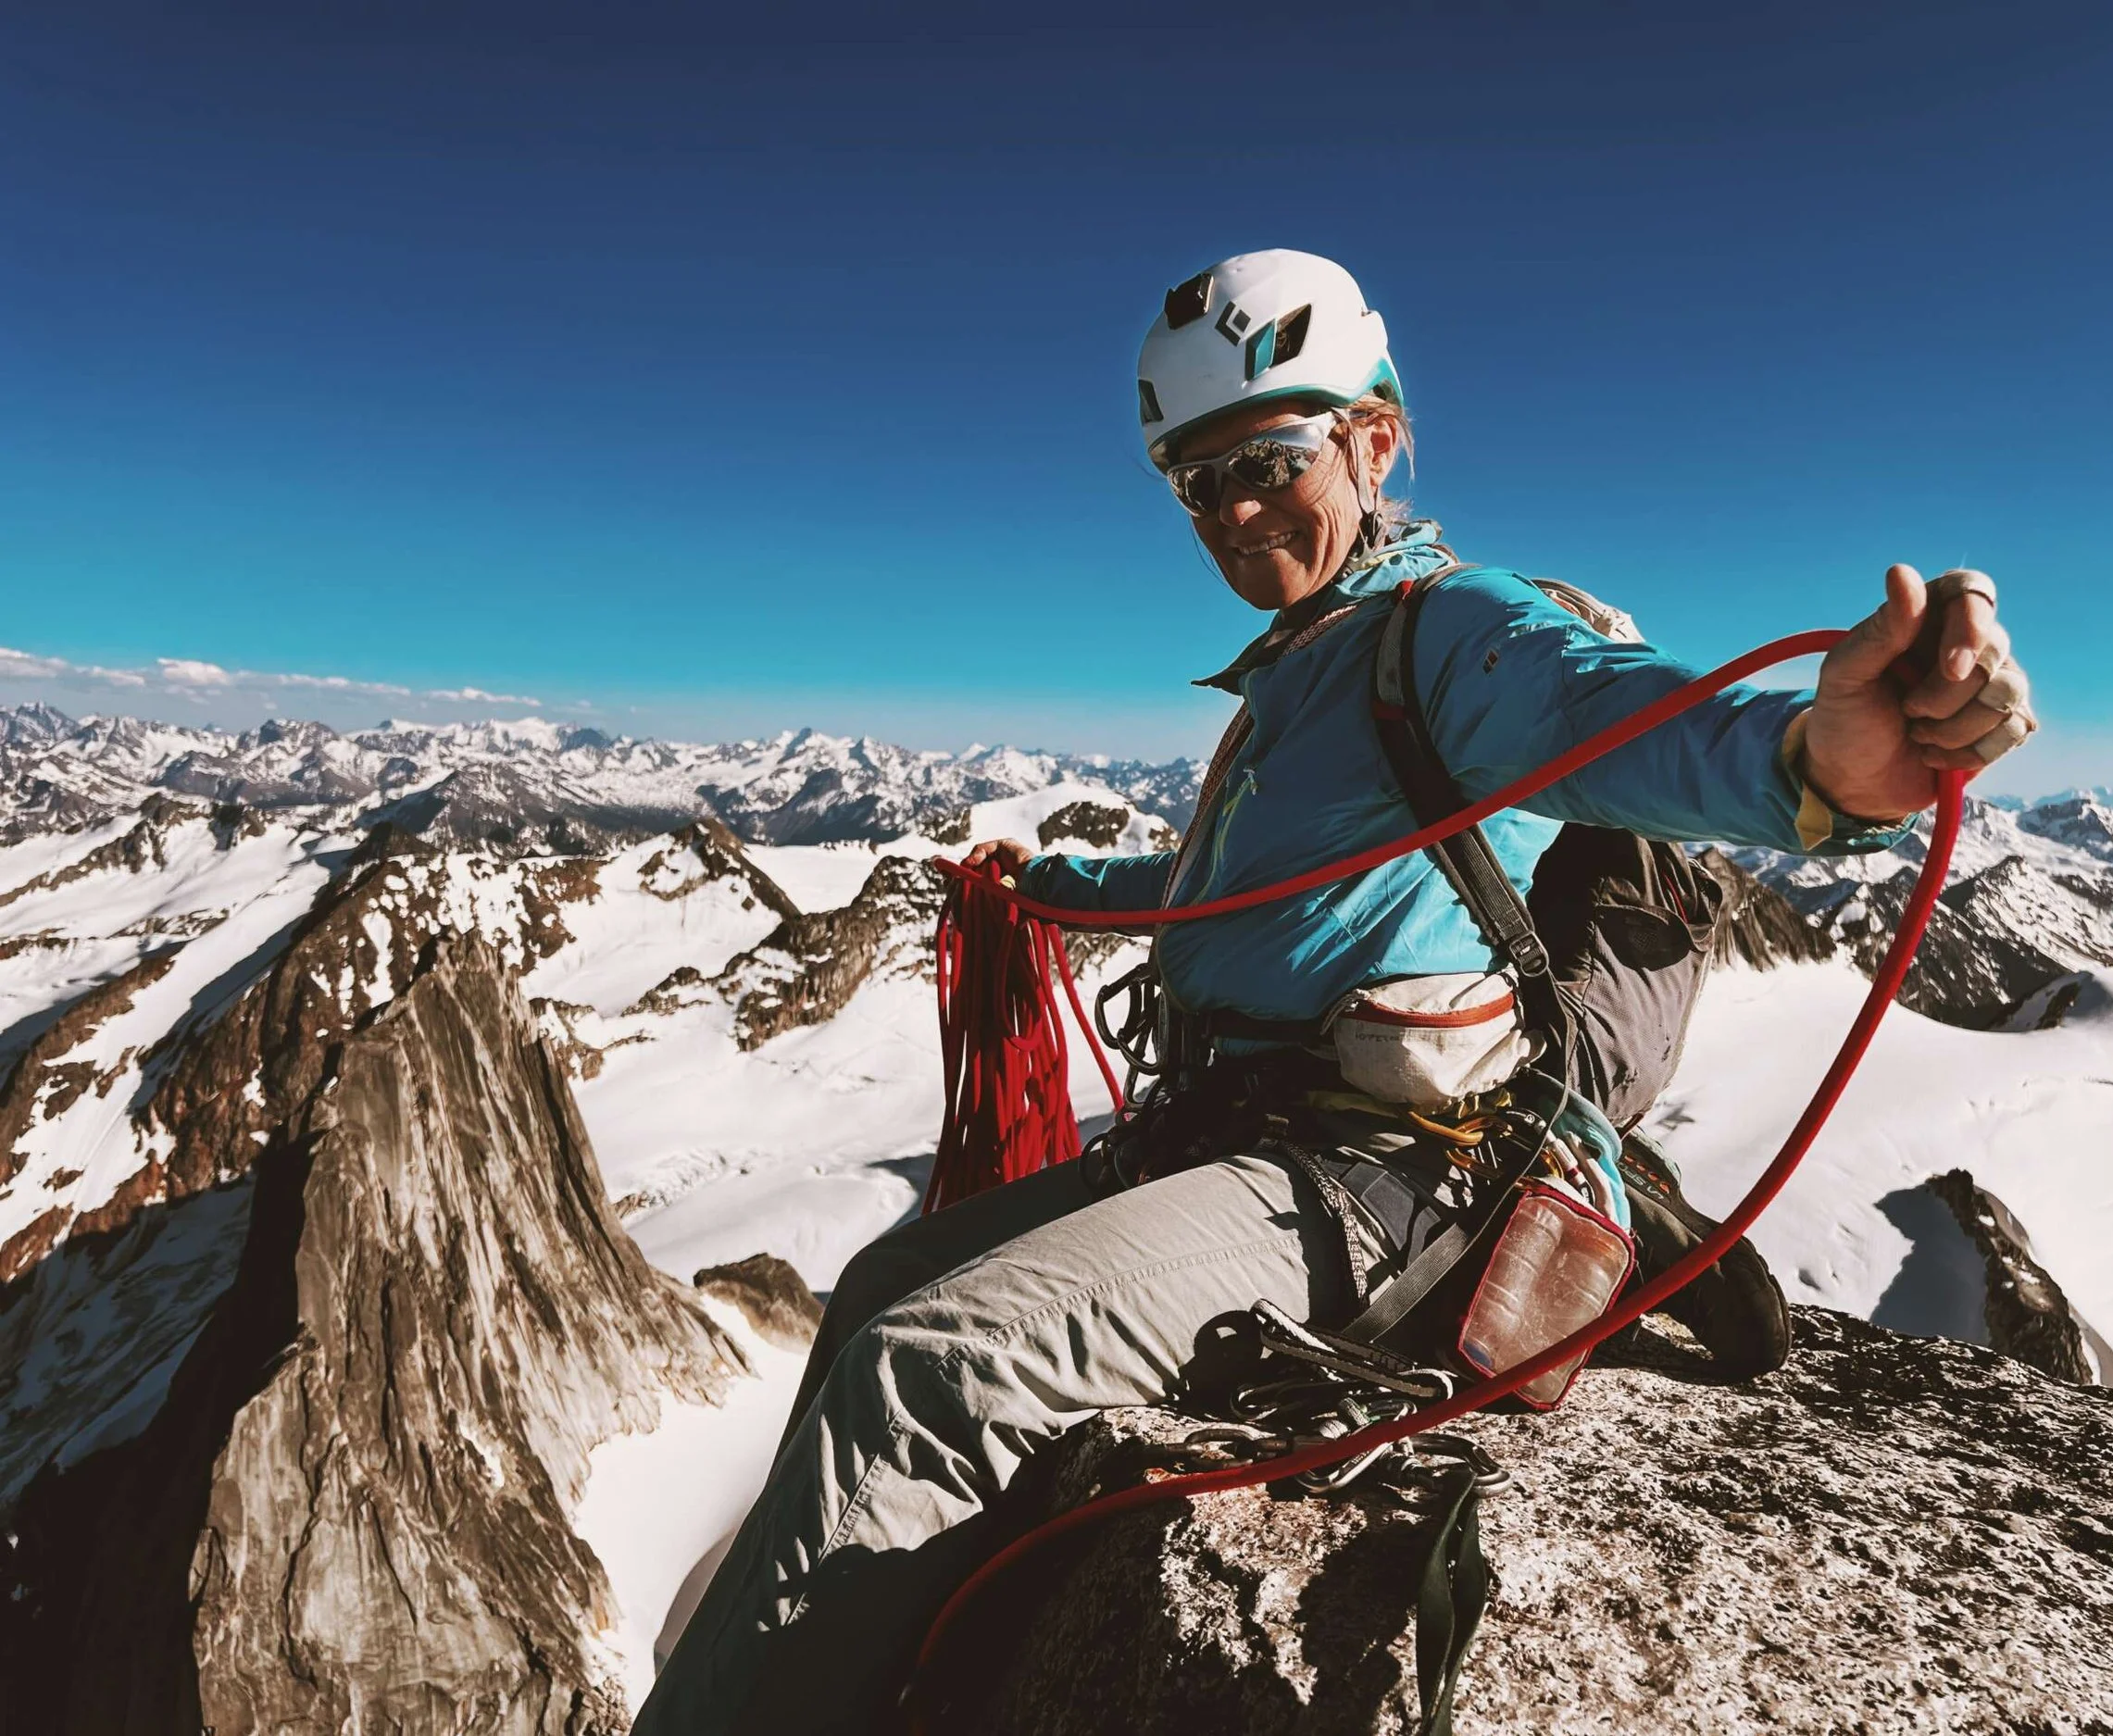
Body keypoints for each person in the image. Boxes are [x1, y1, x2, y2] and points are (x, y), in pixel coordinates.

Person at [635, 249, 2037, 1735]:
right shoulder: (1298, 684)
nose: (1233, 512)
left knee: (933, 1371)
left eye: (1266, 458)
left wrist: (1825, 769)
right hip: (1237, 1142)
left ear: (1374, 434)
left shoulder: (1449, 633)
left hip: (1377, 1177)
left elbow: (1604, 712)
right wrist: (1044, 888)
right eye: (1197, 482)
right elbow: (1220, 901)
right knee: (873, 1292)